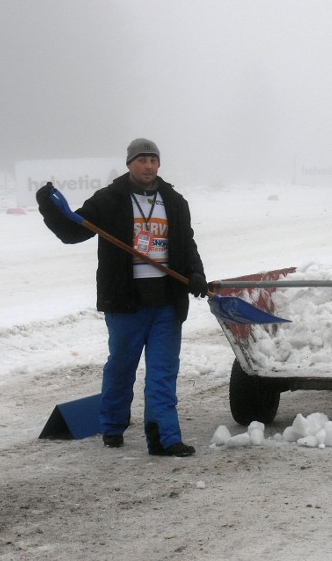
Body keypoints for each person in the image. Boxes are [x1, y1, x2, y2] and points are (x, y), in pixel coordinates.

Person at [36, 138, 208, 456]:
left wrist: (196, 272)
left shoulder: (174, 201)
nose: (148, 166)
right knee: (121, 368)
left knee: (163, 372)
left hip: (167, 304)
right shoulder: (110, 199)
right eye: (142, 160)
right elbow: (74, 231)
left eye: (153, 160)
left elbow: (187, 242)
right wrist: (49, 208)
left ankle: (164, 438)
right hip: (126, 303)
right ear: (130, 164)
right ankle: (113, 425)